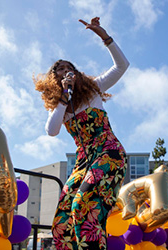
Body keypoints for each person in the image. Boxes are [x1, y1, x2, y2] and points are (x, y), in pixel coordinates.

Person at [35, 17, 129, 250]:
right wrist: (63, 98)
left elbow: (121, 66)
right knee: (61, 222)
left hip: (109, 153)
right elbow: (51, 130)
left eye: (70, 68)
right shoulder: (61, 107)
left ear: (76, 74)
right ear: (55, 79)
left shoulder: (94, 89)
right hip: (83, 162)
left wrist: (104, 37)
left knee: (84, 205)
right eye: (60, 69)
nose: (66, 71)